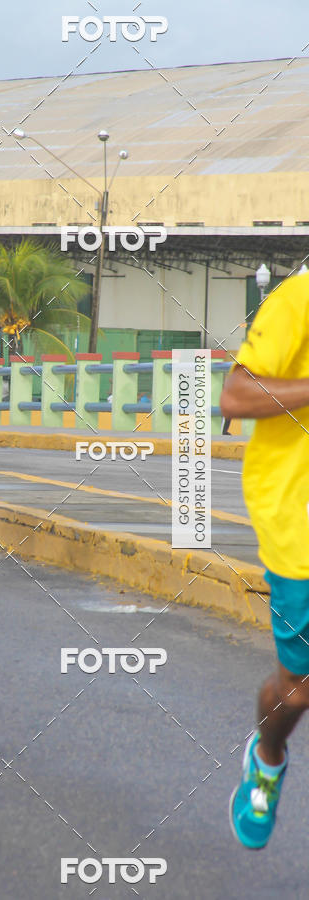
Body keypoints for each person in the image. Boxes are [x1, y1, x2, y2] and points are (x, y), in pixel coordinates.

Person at [221, 269, 309, 849]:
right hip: (299, 523)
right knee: (299, 689)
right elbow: (235, 395)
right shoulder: (299, 299)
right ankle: (268, 757)